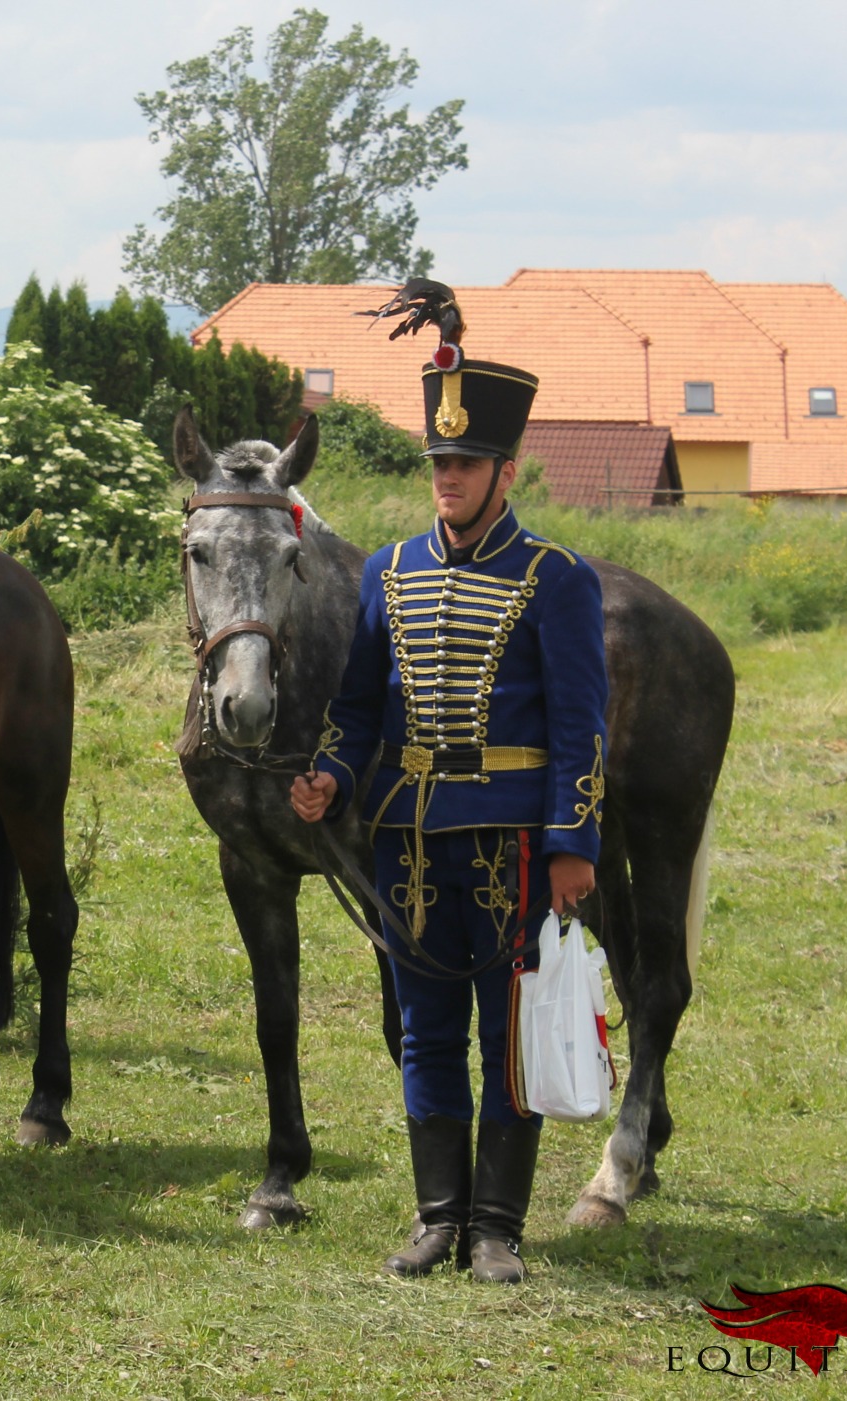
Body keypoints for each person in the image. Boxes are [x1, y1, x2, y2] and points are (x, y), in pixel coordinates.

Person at [290, 303, 608, 1284]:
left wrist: (570, 843)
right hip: (408, 844)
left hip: (511, 843)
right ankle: (436, 1219)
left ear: (503, 472)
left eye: (465, 466)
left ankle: (496, 1228)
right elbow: (356, 707)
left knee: (505, 1035)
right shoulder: (387, 573)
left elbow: (579, 725)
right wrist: (332, 776)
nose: (448, 480)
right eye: (438, 465)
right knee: (424, 1032)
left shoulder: (556, 578)